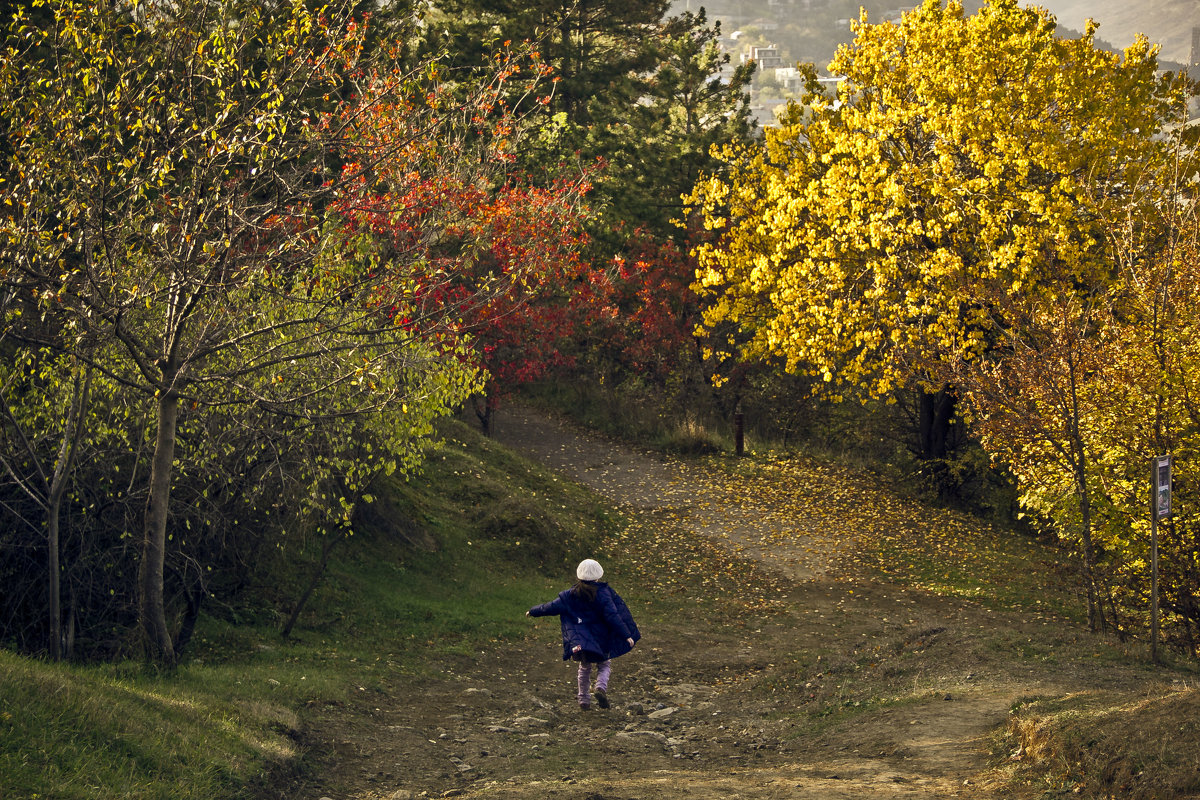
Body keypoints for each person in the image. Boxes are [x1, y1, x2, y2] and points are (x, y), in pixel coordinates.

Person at [526, 558, 640, 710]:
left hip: (582, 642)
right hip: (602, 640)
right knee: (604, 665)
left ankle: (584, 700)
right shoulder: (604, 594)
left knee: (584, 668)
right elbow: (613, 616)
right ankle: (600, 687)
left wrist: (533, 611)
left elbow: (550, 607)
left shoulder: (570, 595)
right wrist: (626, 634)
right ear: (598, 576)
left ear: (579, 575)